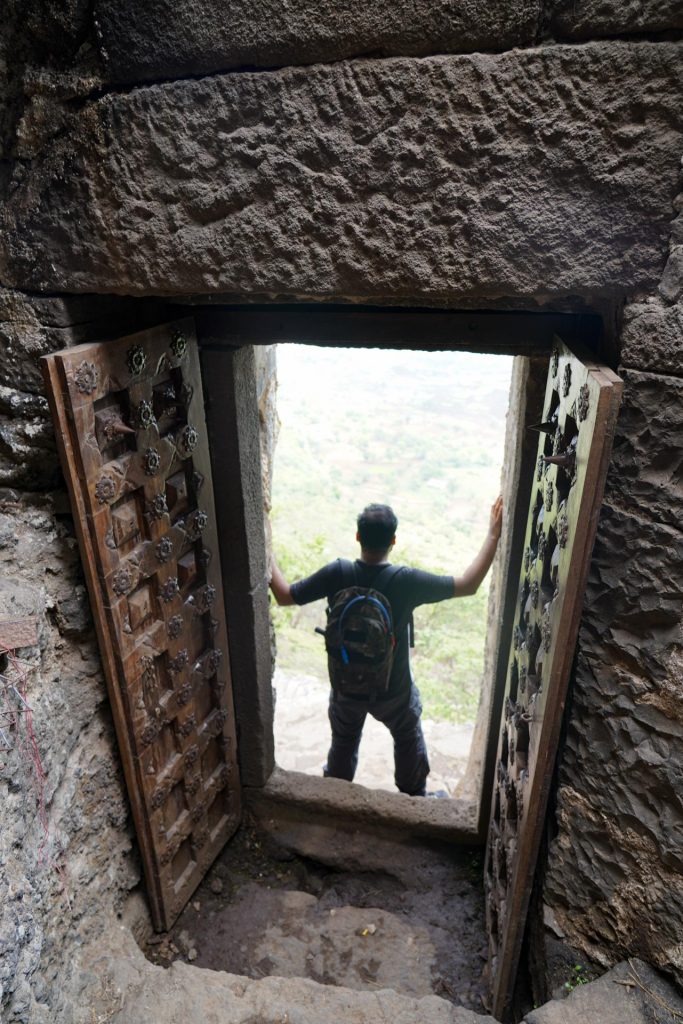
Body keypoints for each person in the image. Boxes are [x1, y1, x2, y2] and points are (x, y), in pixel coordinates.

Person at [269, 496, 503, 797]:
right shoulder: (406, 581)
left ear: (357, 537)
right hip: (394, 691)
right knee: (406, 736)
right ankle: (413, 798)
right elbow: (468, 585)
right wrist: (493, 535)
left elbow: (285, 595)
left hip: (346, 688)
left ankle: (334, 795)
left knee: (343, 741)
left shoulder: (337, 573)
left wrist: (267, 545)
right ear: (393, 540)